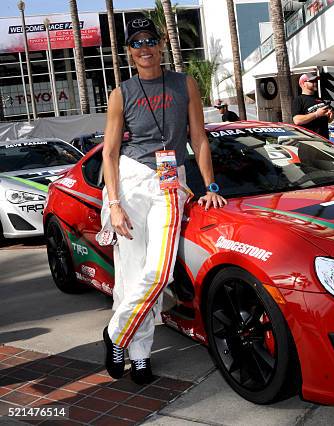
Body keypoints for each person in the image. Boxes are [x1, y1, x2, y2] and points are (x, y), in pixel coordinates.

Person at [99, 17, 227, 385]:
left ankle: (115, 335)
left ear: (161, 45)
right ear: (129, 52)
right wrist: (115, 204)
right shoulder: (121, 93)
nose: (144, 48)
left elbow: (198, 139)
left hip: (170, 183)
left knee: (159, 273)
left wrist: (211, 186)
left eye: (150, 41)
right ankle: (139, 355)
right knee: (130, 274)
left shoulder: (184, 83)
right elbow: (109, 153)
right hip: (131, 182)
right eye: (136, 43)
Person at [292, 73, 334, 138]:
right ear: (303, 84)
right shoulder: (298, 100)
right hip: (311, 142)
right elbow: (297, 120)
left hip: (325, 141)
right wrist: (316, 114)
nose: (315, 83)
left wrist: (330, 116)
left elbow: (327, 120)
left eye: (315, 81)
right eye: (312, 81)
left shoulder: (320, 99)